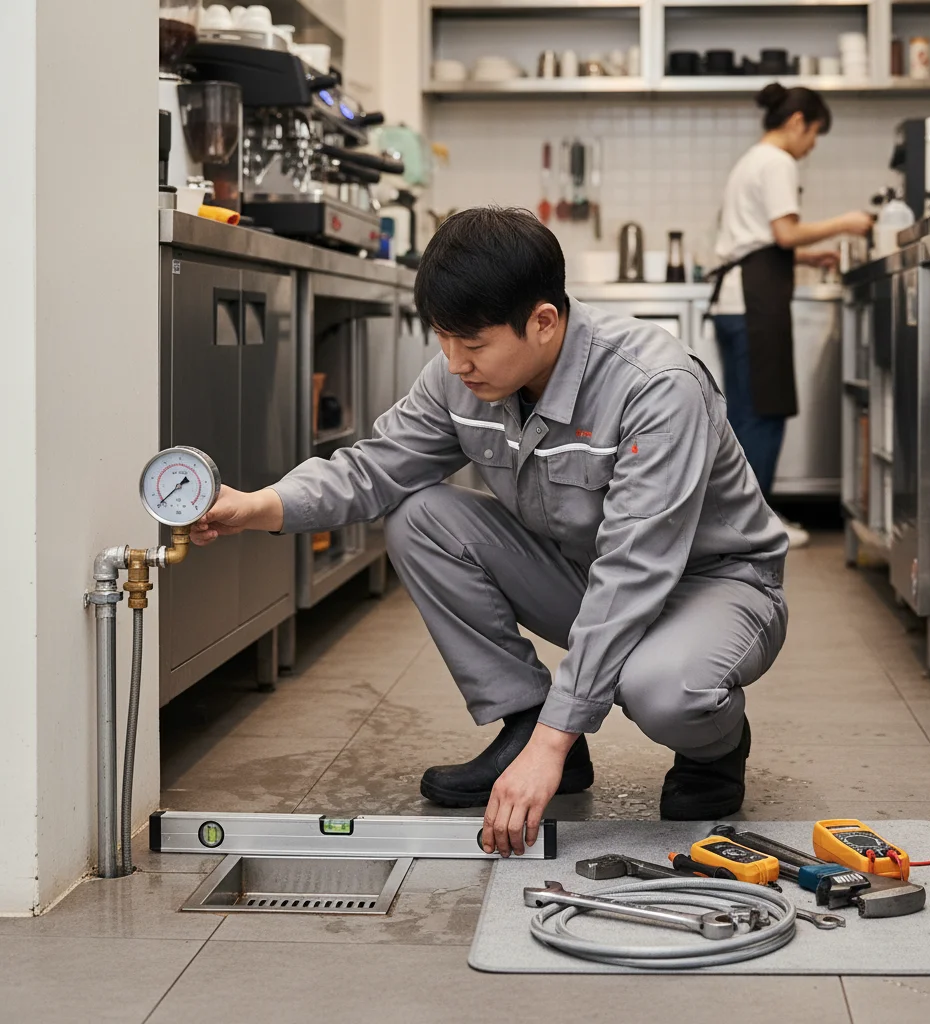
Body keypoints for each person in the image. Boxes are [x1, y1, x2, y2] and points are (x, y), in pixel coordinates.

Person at [190, 207, 788, 857]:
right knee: (421, 517)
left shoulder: (654, 386)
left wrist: (549, 748)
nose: (455, 364)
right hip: (586, 573)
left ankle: (716, 748)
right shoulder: (459, 379)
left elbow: (635, 569)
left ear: (543, 322)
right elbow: (374, 469)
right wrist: (257, 506)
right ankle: (525, 715)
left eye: (472, 346)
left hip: (716, 585)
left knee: (662, 691)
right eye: (444, 341)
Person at [711, 83, 873, 548]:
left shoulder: (751, 160)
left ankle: (739, 518)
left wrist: (810, 257)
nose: (812, 146)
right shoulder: (777, 161)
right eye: (815, 133)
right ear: (798, 121)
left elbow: (758, 239)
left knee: (745, 414)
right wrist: (846, 222)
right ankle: (754, 523)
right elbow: (784, 233)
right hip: (753, 302)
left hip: (737, 299)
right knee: (766, 412)